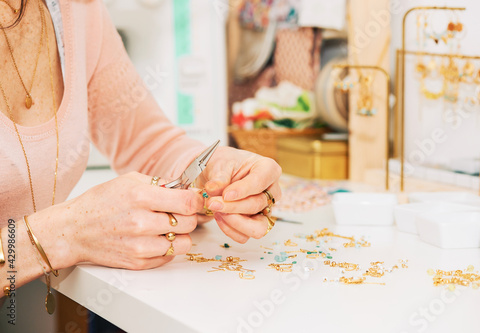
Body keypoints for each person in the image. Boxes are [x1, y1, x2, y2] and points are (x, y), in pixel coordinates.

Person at [0, 0, 281, 311]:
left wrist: (213, 170)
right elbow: (63, 234)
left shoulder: (75, 9)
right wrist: (64, 235)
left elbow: (148, 144)